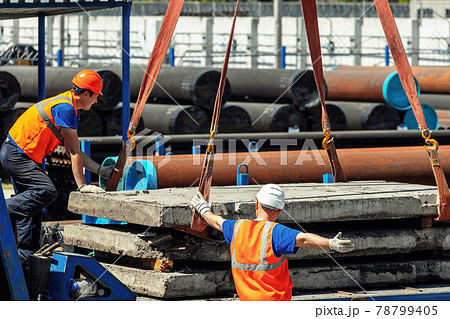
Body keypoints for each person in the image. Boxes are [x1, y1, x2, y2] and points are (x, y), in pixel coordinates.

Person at [0, 70, 115, 263]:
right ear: (86, 94)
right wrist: (82, 186)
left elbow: (73, 149)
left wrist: (100, 171)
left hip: (22, 154)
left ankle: (25, 257)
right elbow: (75, 152)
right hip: (17, 155)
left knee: (32, 210)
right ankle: (2, 211)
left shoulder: (68, 105)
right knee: (46, 191)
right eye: (95, 96)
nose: (96, 101)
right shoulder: (66, 108)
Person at [190, 183, 355, 301]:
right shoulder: (276, 232)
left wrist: (202, 208)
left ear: (256, 203)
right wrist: (330, 244)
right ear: (279, 210)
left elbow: (217, 222)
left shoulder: (237, 227)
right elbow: (304, 239)